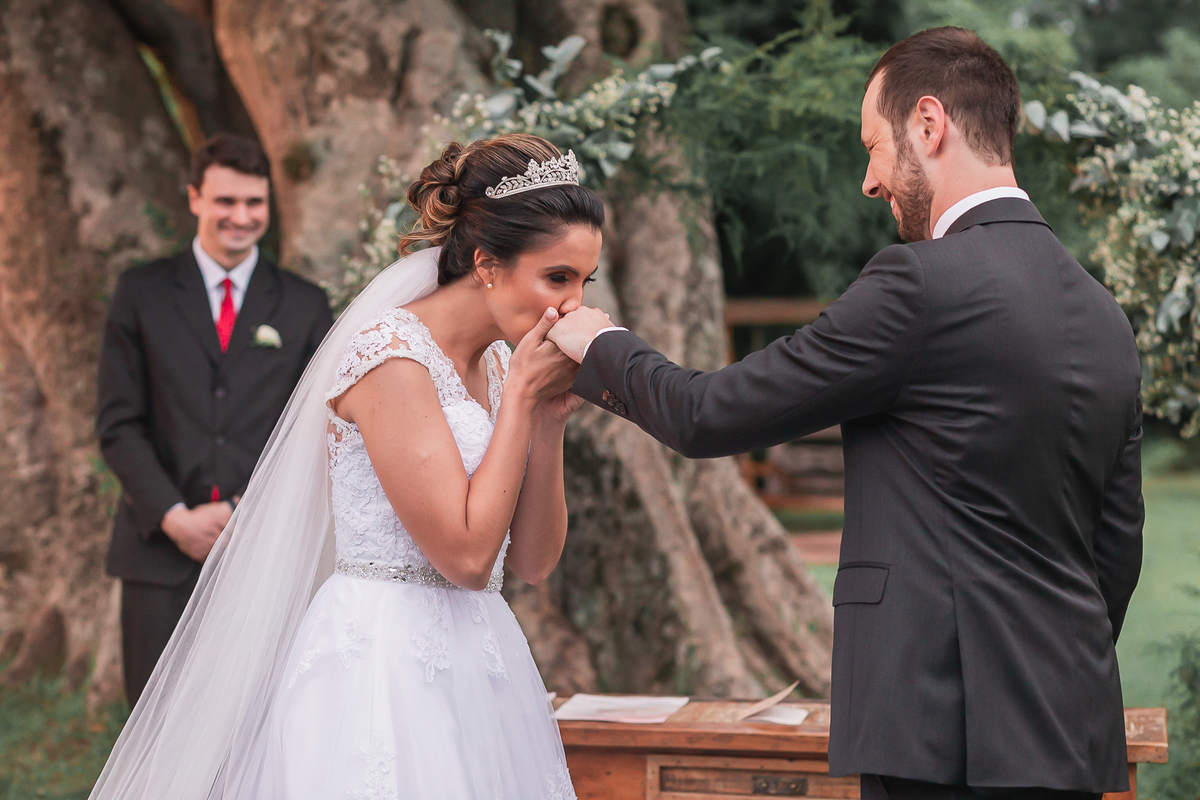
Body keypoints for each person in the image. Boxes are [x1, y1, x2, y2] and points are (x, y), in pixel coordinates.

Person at [547, 27, 1143, 800]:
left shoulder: (918, 286)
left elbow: (710, 414)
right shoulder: (1104, 317)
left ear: (928, 125)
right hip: (1066, 737)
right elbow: (1115, 553)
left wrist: (600, 343)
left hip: (936, 739)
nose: (869, 180)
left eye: (873, 146)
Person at [90, 133, 595, 800]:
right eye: (558, 278)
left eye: (585, 281)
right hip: (383, 664)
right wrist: (523, 403)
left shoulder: (503, 366)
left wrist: (548, 421)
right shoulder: (391, 358)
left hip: (481, 659)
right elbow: (469, 558)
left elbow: (529, 564)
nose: (573, 306)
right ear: (489, 264)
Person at [96, 133, 334, 706]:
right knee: (153, 725)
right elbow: (118, 423)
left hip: (263, 550)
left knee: (258, 728)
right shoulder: (141, 292)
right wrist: (175, 517)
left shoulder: (305, 304)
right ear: (195, 198)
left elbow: (315, 430)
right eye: (226, 201)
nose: (241, 217)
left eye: (254, 203)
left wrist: (241, 513)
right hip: (158, 553)